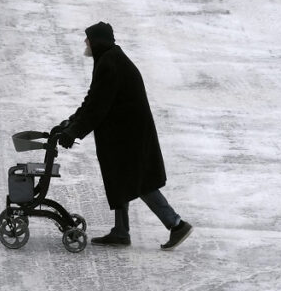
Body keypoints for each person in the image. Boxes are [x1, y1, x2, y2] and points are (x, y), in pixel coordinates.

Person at [54, 22, 192, 250]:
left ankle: (176, 224)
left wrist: (74, 132)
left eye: (88, 39)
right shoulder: (109, 58)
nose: (85, 42)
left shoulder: (109, 63)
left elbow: (97, 106)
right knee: (121, 179)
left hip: (130, 135)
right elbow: (93, 98)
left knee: (139, 182)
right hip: (124, 133)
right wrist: (72, 122)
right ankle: (120, 231)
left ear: (97, 41)